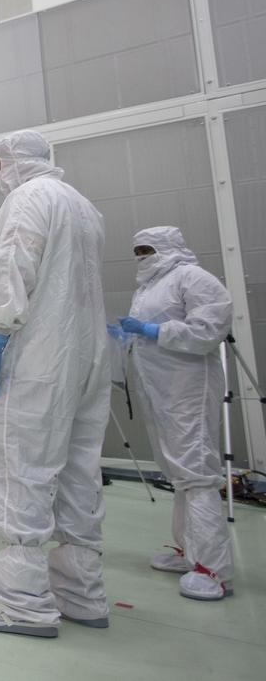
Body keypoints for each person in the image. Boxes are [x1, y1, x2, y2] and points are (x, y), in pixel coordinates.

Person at [0, 130, 112, 638]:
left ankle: (19, 601)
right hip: (88, 355)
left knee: (23, 466)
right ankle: (81, 592)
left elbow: (15, 269)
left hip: (41, 352)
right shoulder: (82, 205)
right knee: (79, 469)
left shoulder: (27, 199)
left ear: (11, 161)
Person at [115, 226, 234, 601]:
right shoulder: (148, 287)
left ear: (169, 247)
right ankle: (189, 552)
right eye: (137, 250)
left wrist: (153, 330)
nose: (141, 256)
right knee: (180, 474)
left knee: (196, 474)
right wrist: (130, 335)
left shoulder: (193, 278)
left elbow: (209, 330)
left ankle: (213, 570)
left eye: (147, 249)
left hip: (188, 389)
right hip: (160, 391)